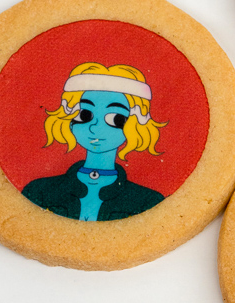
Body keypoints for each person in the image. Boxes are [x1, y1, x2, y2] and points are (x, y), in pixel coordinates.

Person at [22, 62, 165, 220]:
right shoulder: (38, 191)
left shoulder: (148, 201)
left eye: (116, 118)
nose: (95, 127)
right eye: (85, 115)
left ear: (135, 124)